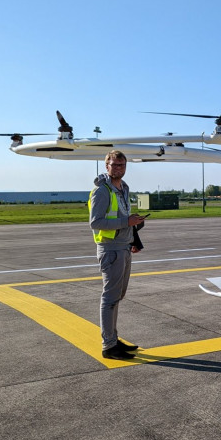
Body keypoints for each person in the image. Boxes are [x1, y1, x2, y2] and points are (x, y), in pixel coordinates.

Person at [88, 150, 147, 360]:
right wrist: (126, 223)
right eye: (114, 165)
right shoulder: (102, 191)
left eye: (122, 165)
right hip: (110, 249)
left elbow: (123, 217)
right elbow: (95, 222)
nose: (118, 169)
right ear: (107, 166)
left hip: (123, 247)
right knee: (110, 298)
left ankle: (113, 339)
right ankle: (108, 346)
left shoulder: (123, 188)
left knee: (118, 297)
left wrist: (133, 237)